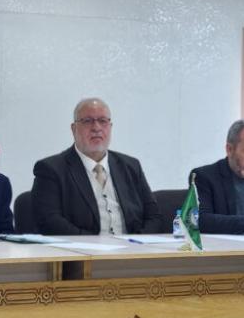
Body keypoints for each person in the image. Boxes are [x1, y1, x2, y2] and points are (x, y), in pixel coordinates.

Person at [31, 98, 164, 235]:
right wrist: (95, 244)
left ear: (110, 127)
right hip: (81, 248)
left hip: (131, 246)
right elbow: (49, 221)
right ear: (74, 129)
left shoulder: (131, 166)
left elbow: (154, 217)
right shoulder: (51, 169)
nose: (96, 128)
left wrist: (136, 243)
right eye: (87, 121)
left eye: (102, 121)